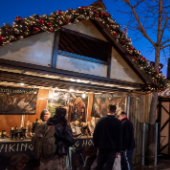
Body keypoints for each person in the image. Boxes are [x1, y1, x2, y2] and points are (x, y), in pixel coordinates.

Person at [93, 105, 122, 170]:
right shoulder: (118, 123)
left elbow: (95, 135)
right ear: (115, 111)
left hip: (102, 147)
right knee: (109, 166)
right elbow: (119, 138)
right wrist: (118, 150)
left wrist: (96, 145)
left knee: (99, 165)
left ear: (107, 111)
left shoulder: (101, 121)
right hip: (112, 149)